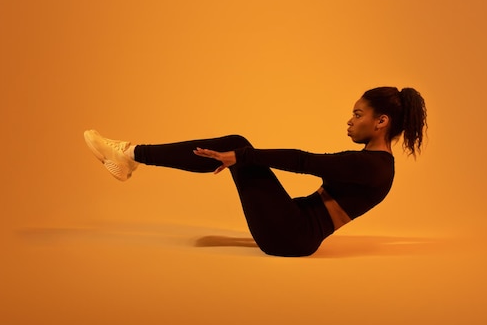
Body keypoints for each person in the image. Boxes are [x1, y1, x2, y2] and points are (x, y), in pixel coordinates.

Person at [84, 87, 427, 257]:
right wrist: (242, 160)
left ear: (381, 122)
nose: (350, 121)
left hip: (291, 236)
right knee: (237, 151)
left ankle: (131, 155)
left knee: (237, 145)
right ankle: (132, 156)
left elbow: (304, 160)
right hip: (293, 227)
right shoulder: (374, 163)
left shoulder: (372, 166)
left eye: (358, 114)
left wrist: (243, 156)